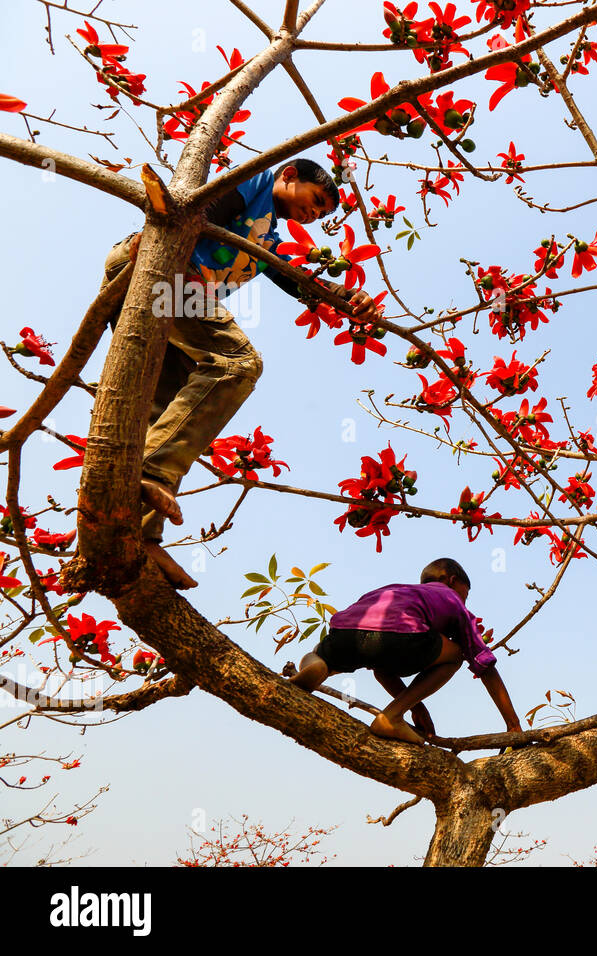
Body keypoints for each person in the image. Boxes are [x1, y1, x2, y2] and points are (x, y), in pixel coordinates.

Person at [98, 158, 381, 589]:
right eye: (315, 200)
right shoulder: (254, 183)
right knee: (238, 363)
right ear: (290, 175)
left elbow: (296, 279)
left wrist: (345, 298)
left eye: (322, 214)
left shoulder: (266, 236)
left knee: (162, 407)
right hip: (160, 270)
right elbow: (199, 214)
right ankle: (153, 474)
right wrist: (159, 247)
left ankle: (141, 534)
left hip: (169, 293)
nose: (313, 213)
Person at [289, 557, 522, 746]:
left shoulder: (395, 590)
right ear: (451, 581)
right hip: (404, 638)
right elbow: (485, 666)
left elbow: (382, 671)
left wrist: (417, 708)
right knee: (457, 654)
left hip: (347, 632)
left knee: (320, 652)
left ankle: (316, 667)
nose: (465, 601)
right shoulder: (451, 599)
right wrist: (513, 726)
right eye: (465, 595)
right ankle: (390, 716)